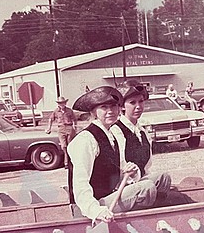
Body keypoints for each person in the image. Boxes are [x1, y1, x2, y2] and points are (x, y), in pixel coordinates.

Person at [67, 86, 157, 223]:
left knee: (155, 181)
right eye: (104, 107)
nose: (110, 111)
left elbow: (120, 172)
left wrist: (129, 171)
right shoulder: (85, 140)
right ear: (94, 112)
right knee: (146, 188)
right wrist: (96, 211)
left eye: (114, 106)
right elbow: (80, 184)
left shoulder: (112, 136)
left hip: (109, 198)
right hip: (90, 207)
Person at [113, 80, 172, 200]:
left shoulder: (142, 131)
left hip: (142, 183)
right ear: (122, 106)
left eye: (141, 101)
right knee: (149, 186)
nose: (138, 106)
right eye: (132, 102)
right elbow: (118, 169)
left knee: (164, 177)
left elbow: (146, 166)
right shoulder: (116, 131)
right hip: (122, 187)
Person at [45, 96, 76, 167]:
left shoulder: (69, 110)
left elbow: (74, 119)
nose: (61, 104)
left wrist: (74, 126)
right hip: (61, 129)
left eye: (63, 103)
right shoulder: (56, 111)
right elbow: (51, 119)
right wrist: (49, 128)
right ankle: (66, 161)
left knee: (70, 146)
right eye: (60, 103)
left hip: (69, 128)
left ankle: (69, 162)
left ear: (65, 103)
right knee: (64, 146)